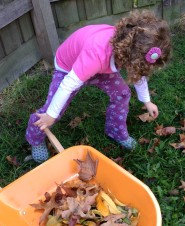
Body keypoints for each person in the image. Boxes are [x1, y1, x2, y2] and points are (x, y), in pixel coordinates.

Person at [26, 9, 171, 163]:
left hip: (100, 66)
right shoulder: (97, 53)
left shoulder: (127, 49)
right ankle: (35, 138)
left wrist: (146, 101)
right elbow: (68, 85)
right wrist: (51, 116)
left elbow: (138, 71)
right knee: (52, 110)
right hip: (69, 68)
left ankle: (115, 131)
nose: (138, 70)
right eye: (137, 65)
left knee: (122, 93)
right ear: (129, 54)